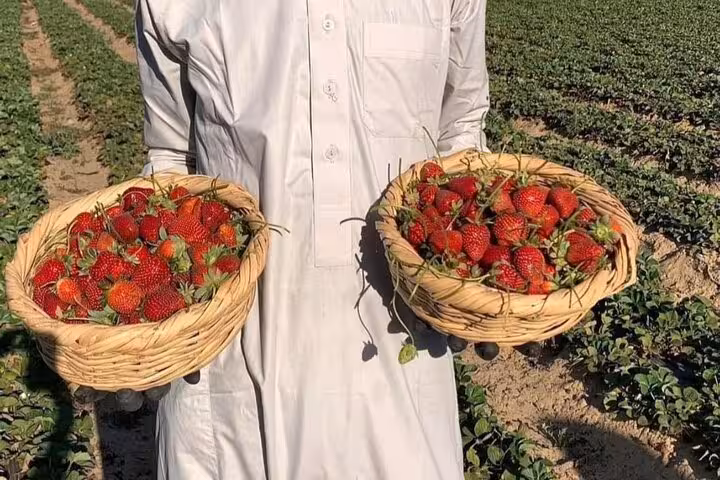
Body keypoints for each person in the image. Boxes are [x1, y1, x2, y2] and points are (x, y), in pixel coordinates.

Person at [130, 0, 489, 478]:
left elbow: (460, 131)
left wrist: (488, 277)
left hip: (400, 357)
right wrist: (142, 308)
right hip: (232, 374)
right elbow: (171, 159)